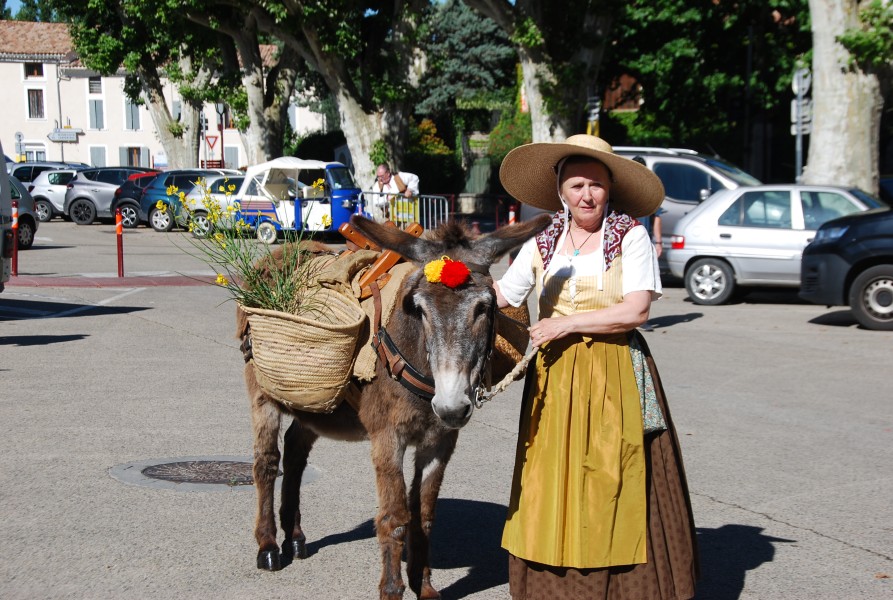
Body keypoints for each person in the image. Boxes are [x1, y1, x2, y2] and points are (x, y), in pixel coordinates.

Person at [494, 134, 699, 599]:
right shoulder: (543, 241)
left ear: (611, 189)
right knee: (550, 478)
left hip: (614, 371)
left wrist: (566, 324)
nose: (587, 195)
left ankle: (628, 587)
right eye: (576, 185)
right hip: (556, 377)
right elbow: (503, 295)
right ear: (561, 191)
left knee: (614, 475)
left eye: (596, 185)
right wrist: (452, 277)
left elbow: (637, 311)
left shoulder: (629, 235)